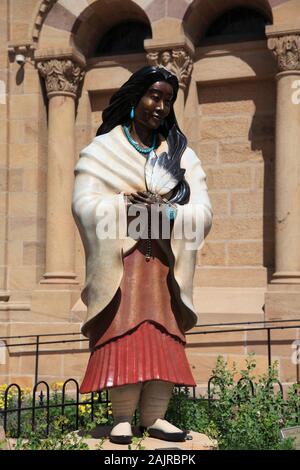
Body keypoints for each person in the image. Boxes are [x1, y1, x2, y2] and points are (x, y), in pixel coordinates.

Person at [72, 66, 213, 444]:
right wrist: (124, 206)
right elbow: (83, 204)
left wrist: (166, 213)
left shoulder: (181, 156)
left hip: (164, 266)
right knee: (124, 334)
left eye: (167, 100)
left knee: (164, 336)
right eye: (154, 96)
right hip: (125, 266)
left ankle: (155, 418)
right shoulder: (103, 151)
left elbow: (203, 215)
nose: (160, 107)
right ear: (135, 99)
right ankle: (121, 418)